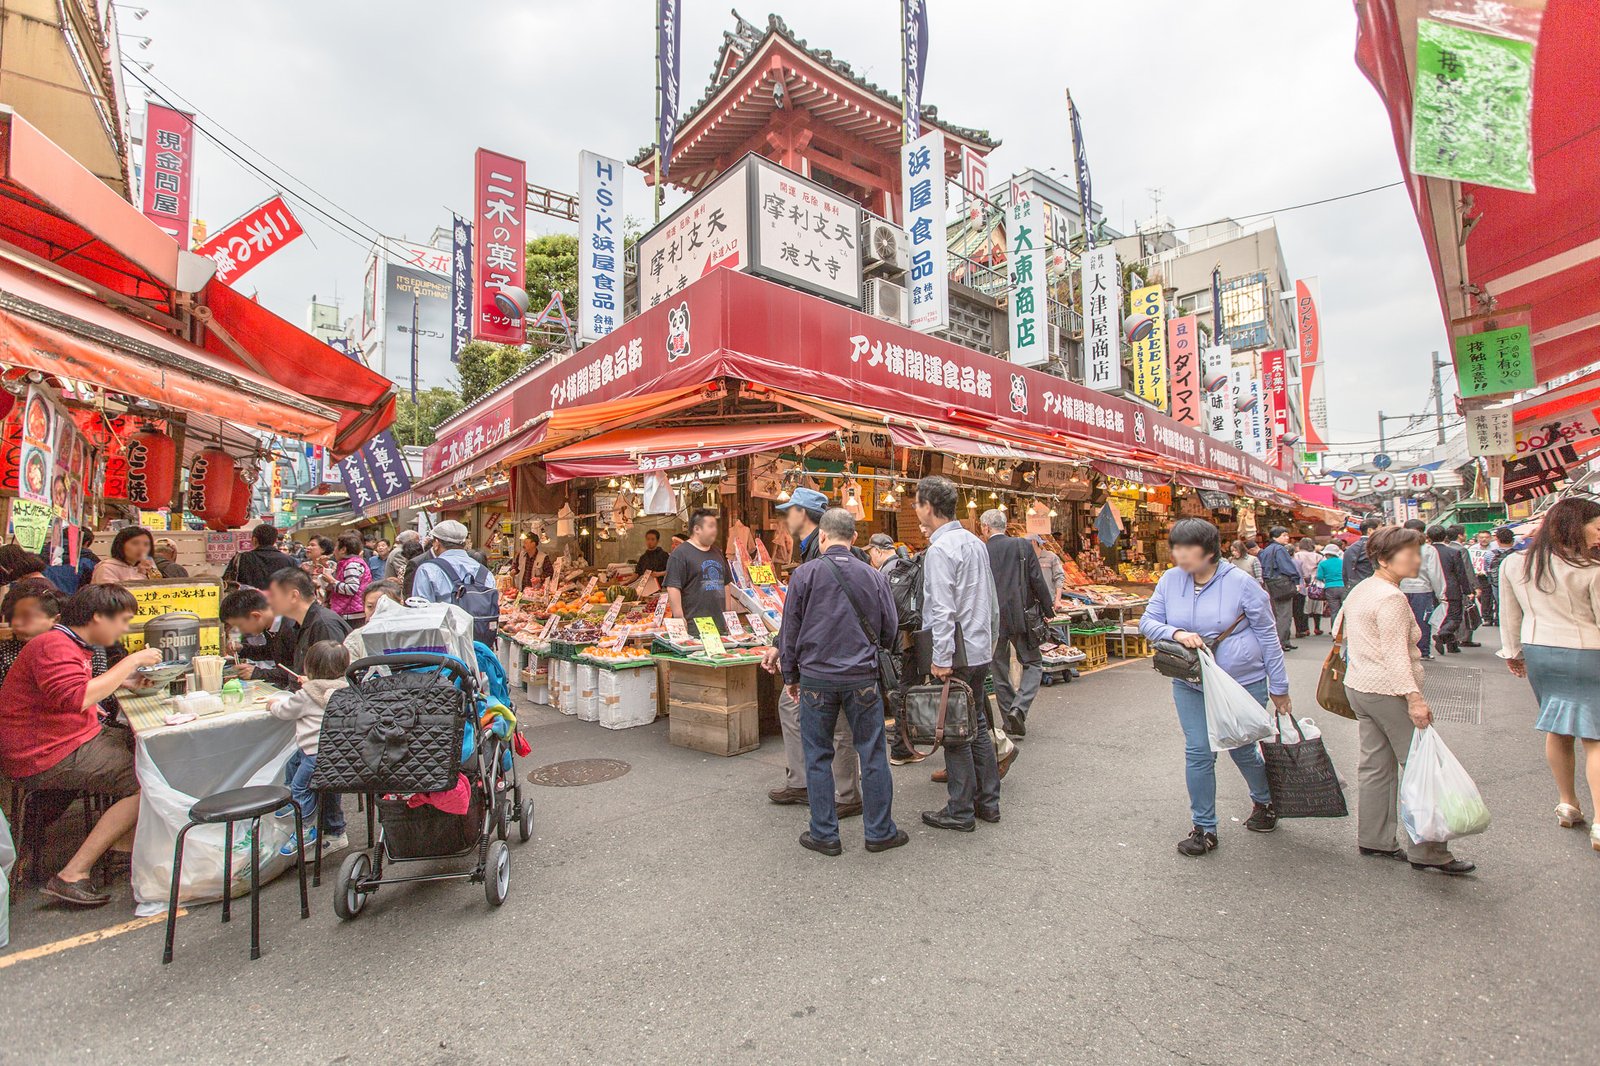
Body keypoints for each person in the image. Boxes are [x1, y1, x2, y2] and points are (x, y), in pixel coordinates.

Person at [0, 585, 163, 906]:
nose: (124, 629)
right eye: (122, 620)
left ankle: (119, 848)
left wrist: (124, 681)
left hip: (64, 740)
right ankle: (74, 872)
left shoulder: (67, 643)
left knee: (149, 756)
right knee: (151, 782)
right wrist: (128, 664)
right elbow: (77, 698)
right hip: (44, 753)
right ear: (99, 617)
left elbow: (76, 689)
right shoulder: (54, 646)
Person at [1139, 518, 1285, 857]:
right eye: (1176, 547)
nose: (1180, 554)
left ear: (1209, 551)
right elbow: (1148, 621)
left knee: (1242, 748)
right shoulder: (1170, 580)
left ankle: (1265, 802)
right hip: (1190, 680)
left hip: (1240, 681)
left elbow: (1268, 635)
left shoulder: (1241, 583)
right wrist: (1175, 633)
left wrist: (1279, 687)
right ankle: (1204, 827)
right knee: (1198, 752)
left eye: (1188, 548)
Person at [1340, 525, 1475, 874]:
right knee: (1420, 768)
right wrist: (1414, 698)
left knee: (1375, 765)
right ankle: (1429, 851)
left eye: (1418, 552)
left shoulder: (1362, 589)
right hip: (1388, 690)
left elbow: (1343, 630)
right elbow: (1396, 655)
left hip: (1360, 686)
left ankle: (1375, 839)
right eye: (1410, 553)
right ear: (1384, 558)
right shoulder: (1391, 598)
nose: (1417, 559)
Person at [775, 508, 906, 856]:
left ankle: (824, 834)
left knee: (818, 755)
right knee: (873, 753)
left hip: (816, 679)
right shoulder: (873, 575)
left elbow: (790, 630)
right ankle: (879, 832)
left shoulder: (804, 575)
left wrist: (791, 675)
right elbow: (890, 628)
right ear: (855, 539)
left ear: (821, 536)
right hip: (862, 678)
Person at [1497, 497, 1600, 847]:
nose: (1599, 535)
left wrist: (1513, 652)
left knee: (1557, 726)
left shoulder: (1516, 564)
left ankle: (1567, 803)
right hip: (1588, 651)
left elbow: (1509, 614)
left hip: (1540, 651)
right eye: (1597, 528)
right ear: (1576, 526)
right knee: (1595, 737)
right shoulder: (1591, 567)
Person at [915, 476, 1001, 833]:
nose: (915, 508)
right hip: (979, 648)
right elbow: (991, 602)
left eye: (917, 502)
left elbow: (942, 611)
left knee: (955, 730)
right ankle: (988, 803)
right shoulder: (974, 542)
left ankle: (960, 809)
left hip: (957, 654)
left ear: (929, 508)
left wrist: (940, 657)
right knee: (978, 724)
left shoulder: (940, 550)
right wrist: (991, 640)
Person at [266, 640, 351, 857]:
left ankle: (304, 826)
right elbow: (321, 689)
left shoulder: (306, 695)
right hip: (339, 753)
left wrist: (271, 705)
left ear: (308, 667)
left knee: (300, 787)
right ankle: (326, 825)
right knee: (295, 764)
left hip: (315, 753)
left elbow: (285, 711)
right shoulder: (345, 688)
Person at [980, 509, 1053, 740]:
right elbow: (1037, 580)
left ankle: (1011, 718)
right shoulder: (1022, 546)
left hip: (992, 619)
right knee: (1033, 663)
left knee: (999, 669)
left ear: (985, 527)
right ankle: (1018, 709)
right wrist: (1048, 608)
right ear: (1005, 525)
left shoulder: (981, 550)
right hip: (1021, 615)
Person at [265, 568, 351, 687]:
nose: (268, 601)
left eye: (273, 595)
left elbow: (333, 682)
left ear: (293, 596)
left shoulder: (324, 624)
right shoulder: (302, 623)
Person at [220, 587, 297, 684]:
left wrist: (258, 673)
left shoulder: (291, 627)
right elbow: (273, 651)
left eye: (240, 626)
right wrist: (243, 650)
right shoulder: (270, 626)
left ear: (255, 616)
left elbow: (299, 673)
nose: (241, 631)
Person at [1399, 519, 1446, 661]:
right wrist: (1440, 594)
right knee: (1422, 622)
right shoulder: (1429, 550)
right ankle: (1423, 651)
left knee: (1402, 622)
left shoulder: (1397, 548)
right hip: (1423, 590)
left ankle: (1403, 651)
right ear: (1423, 532)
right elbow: (1435, 574)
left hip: (1400, 589)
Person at [1429, 525, 1474, 655]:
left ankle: (1452, 644)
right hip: (1451, 588)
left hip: (1432, 588)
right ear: (1445, 537)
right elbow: (1461, 573)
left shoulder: (1426, 552)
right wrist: (1467, 590)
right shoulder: (1452, 552)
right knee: (1454, 617)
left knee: (1441, 615)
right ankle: (1443, 634)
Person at [1258, 526, 1301, 651]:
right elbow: (1287, 567)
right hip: (1282, 583)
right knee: (1284, 614)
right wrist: (1296, 579)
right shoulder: (1280, 549)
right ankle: (1281, 642)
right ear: (1275, 537)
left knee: (1276, 613)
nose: (1287, 537)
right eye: (1283, 535)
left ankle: (1283, 640)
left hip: (1270, 584)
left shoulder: (1266, 550)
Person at [222, 523, 298, 590]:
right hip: (279, 605)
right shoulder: (290, 561)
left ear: (254, 540)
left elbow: (226, 583)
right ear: (275, 541)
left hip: (247, 604)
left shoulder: (241, 558)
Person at [327, 531, 373, 625]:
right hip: (351, 612)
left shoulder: (352, 565)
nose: (334, 550)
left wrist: (331, 580)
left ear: (343, 549)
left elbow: (351, 588)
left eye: (336, 546)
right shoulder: (349, 563)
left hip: (352, 614)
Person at [1448, 526, 1484, 647]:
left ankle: (1455, 636)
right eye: (1464, 534)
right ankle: (1464, 638)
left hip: (1450, 585)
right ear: (1460, 535)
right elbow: (1467, 570)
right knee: (1466, 610)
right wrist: (1475, 586)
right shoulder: (1461, 549)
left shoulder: (1447, 548)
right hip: (1462, 585)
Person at [89, 528, 159, 585]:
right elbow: (114, 597)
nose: (141, 548)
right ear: (121, 545)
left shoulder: (138, 567)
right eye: (135, 543)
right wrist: (140, 575)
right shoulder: (107, 568)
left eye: (146, 544)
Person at [1485, 526, 1519, 626]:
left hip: (1497, 583)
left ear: (1497, 540)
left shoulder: (1489, 554)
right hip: (1515, 582)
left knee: (1500, 602)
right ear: (1512, 540)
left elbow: (1487, 569)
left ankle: (1503, 621)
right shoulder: (1519, 554)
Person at [1293, 537, 1323, 637]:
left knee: (1305, 607)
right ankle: (1317, 627)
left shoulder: (1297, 555)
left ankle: (1305, 628)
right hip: (1316, 582)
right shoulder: (1318, 556)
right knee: (1318, 606)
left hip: (1303, 583)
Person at [1342, 517, 1382, 588]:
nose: (1382, 533)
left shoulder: (1351, 548)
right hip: (1372, 587)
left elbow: (1345, 573)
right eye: (1380, 530)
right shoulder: (1374, 547)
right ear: (1370, 530)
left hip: (1355, 587)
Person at [1316, 543, 1347, 632]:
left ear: (1327, 554)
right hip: (1343, 587)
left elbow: (1319, 577)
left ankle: (1335, 632)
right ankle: (1345, 631)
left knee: (1334, 611)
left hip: (1330, 588)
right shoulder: (1343, 562)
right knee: (1345, 610)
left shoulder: (1323, 564)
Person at [1030, 534, 1067, 606]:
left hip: (1049, 601)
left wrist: (1057, 600)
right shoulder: (1027, 559)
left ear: (1034, 542)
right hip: (1032, 604)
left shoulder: (1051, 557)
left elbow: (1059, 578)